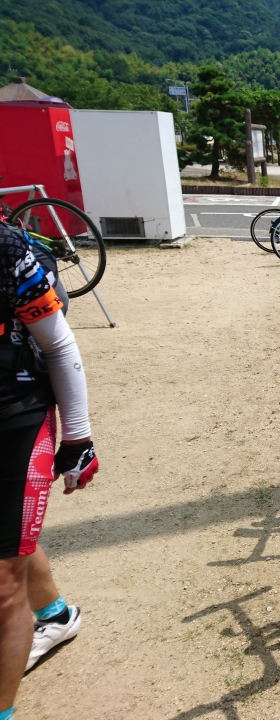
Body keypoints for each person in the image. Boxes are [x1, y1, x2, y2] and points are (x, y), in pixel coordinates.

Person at [0, 220, 98, 720]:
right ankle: (55, 616)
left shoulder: (4, 245)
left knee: (3, 583)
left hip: (14, 416)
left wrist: (77, 438)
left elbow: (57, 344)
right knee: (9, 542)